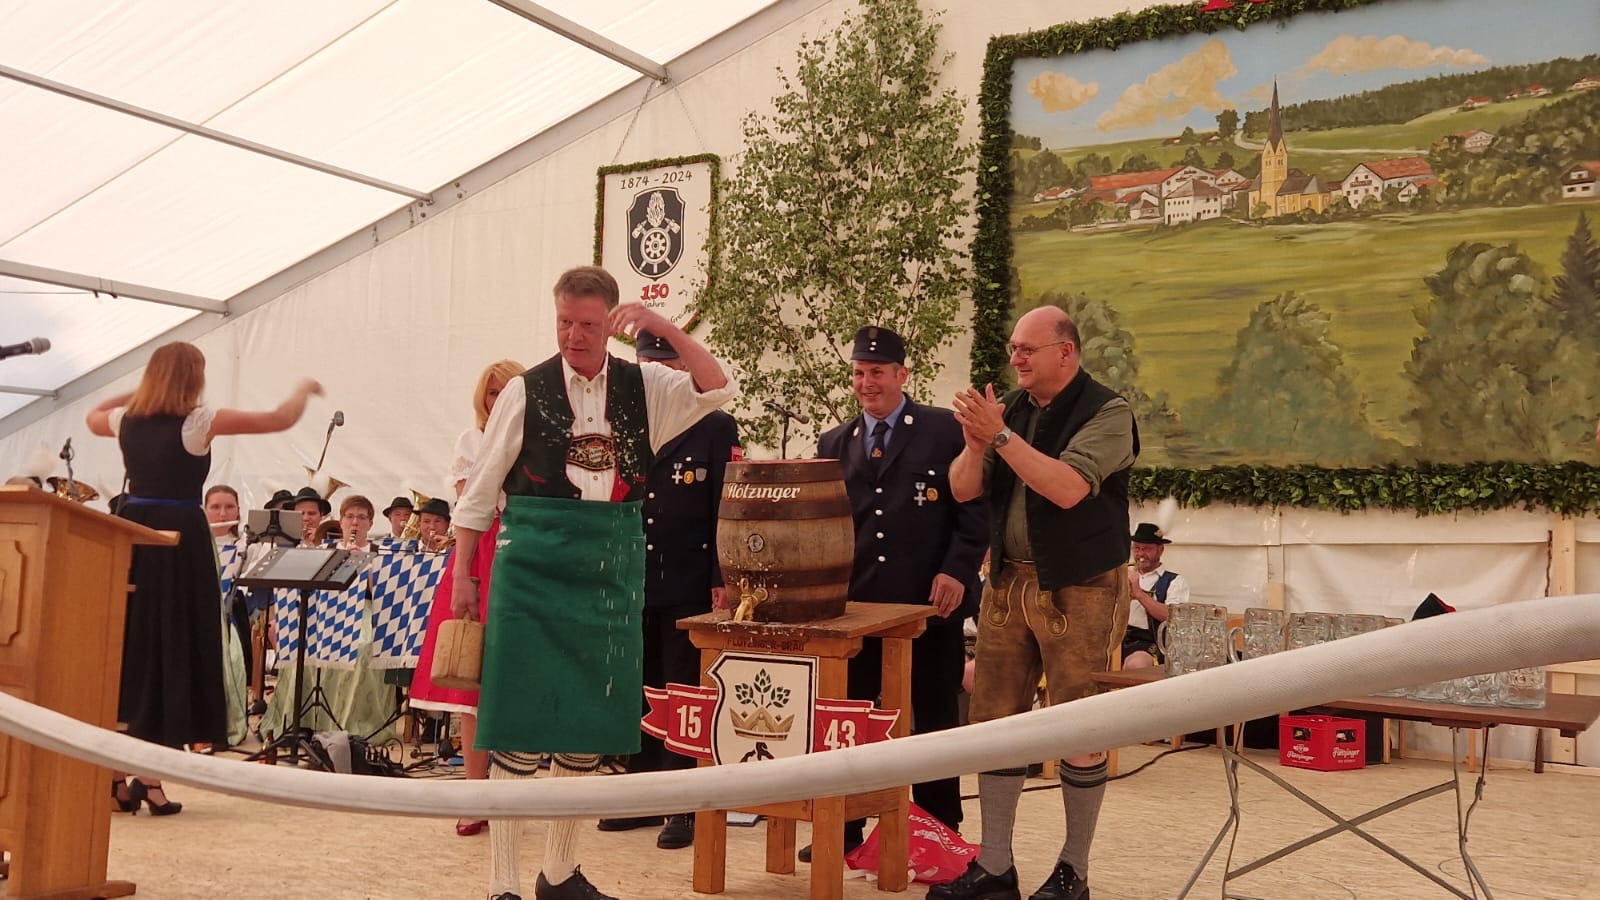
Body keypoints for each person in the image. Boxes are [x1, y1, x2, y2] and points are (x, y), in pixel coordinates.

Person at [452, 265, 735, 900]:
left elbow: (717, 386)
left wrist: (663, 326)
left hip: (610, 564)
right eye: (564, 323)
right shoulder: (524, 390)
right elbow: (480, 490)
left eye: (586, 325)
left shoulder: (647, 385)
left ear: (609, 324)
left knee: (587, 720)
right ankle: (502, 883)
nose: (573, 337)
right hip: (531, 563)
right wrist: (465, 575)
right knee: (516, 720)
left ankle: (557, 873)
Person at [942, 305, 1138, 900]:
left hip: (1083, 586)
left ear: (1066, 352)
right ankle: (994, 865)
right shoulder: (1011, 407)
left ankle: (1074, 871)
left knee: (1080, 726)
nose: (1016, 358)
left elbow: (1068, 488)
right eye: (1013, 349)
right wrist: (974, 444)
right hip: (1009, 582)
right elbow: (963, 488)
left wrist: (1000, 436)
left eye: (1028, 348)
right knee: (995, 723)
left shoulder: (1108, 411)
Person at [86, 341, 322, 816]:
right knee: (171, 646)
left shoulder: (127, 419)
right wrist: (302, 389)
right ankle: (149, 778)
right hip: (179, 540)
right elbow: (279, 418)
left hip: (133, 531)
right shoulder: (198, 421)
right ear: (193, 378)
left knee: (132, 647)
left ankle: (117, 775)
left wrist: (139, 392)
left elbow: (93, 415)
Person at [812, 325, 987, 857]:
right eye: (859, 373)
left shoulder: (944, 430)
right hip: (858, 608)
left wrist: (958, 570)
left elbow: (974, 510)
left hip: (929, 604)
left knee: (934, 715)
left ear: (902, 374)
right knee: (852, 717)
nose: (867, 383)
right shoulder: (833, 443)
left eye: (878, 372)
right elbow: (826, 526)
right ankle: (845, 825)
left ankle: (940, 828)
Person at [595, 330, 740, 851]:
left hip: (690, 578)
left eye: (667, 363)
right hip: (633, 577)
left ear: (683, 366)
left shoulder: (714, 423)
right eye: (647, 364)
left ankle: (684, 801)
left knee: (684, 690)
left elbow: (729, 504)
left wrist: (723, 577)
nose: (657, 373)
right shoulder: (624, 419)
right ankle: (641, 793)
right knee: (639, 686)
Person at [409, 358, 523, 838]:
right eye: (492, 392)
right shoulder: (471, 441)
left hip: (526, 551)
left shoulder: (537, 439)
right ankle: (476, 795)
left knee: (522, 678)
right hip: (481, 552)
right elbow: (473, 501)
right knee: (471, 682)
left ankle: (518, 793)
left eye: (507, 390)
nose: (498, 400)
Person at [1121, 523, 1189, 671]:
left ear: (1160, 550)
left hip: (1149, 641)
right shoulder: (1123, 574)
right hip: (1117, 638)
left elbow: (1172, 617)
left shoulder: (1174, 581)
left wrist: (1139, 594)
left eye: (1147, 549)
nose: (1140, 554)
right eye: (1137, 548)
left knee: (1136, 665)